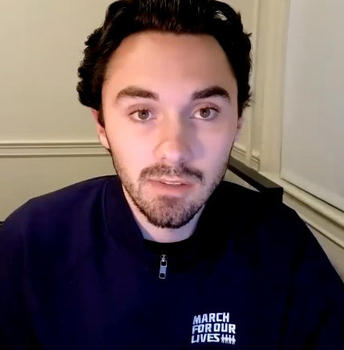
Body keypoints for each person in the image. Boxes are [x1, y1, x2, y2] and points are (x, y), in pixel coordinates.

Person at [0, 0, 343, 349]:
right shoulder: (29, 243)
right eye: (142, 113)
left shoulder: (283, 245)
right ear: (102, 125)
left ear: (237, 123)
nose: (175, 150)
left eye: (206, 111)